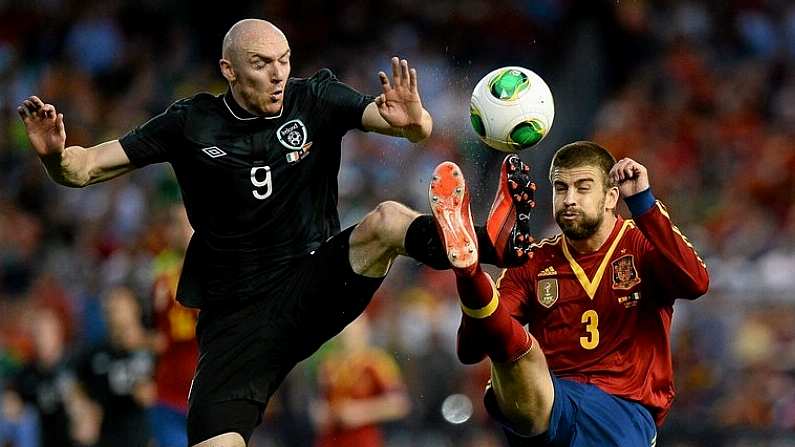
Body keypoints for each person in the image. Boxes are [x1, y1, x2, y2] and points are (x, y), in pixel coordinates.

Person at [17, 18, 531, 447]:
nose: (279, 74)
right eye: (262, 65)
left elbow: (400, 123)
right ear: (229, 70)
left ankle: (489, 243)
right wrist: (55, 156)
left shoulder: (316, 99)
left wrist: (414, 121)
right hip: (237, 320)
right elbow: (82, 170)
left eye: (284, 60)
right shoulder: (189, 123)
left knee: (388, 221)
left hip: (312, 280)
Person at [428, 141, 709, 446]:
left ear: (611, 197)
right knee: (518, 353)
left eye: (583, 188)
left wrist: (643, 202)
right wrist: (468, 284)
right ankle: (468, 269)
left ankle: (471, 272)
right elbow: (469, 350)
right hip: (549, 405)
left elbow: (696, 283)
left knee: (522, 352)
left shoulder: (641, 245)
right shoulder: (534, 263)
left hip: (620, 410)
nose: (569, 200)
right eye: (560, 188)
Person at [311, 314, 410, 447]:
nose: (348, 335)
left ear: (364, 331)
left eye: (353, 330)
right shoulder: (329, 364)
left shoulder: (377, 362)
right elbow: (320, 402)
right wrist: (321, 415)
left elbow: (399, 404)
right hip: (330, 439)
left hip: (362, 440)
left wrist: (362, 412)